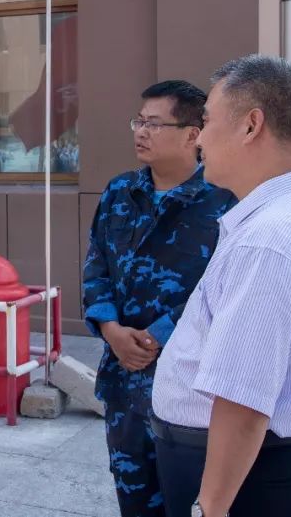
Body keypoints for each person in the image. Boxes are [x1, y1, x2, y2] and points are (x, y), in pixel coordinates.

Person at [151, 55, 291, 517]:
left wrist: (211, 508)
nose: (198, 138)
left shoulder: (270, 240)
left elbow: (242, 401)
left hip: (253, 482)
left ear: (250, 125)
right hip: (280, 470)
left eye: (205, 121)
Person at [82, 81, 236, 517]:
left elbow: (225, 286)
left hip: (190, 387)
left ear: (193, 134)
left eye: (154, 123)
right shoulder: (119, 193)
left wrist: (157, 336)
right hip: (124, 385)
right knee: (133, 497)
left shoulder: (223, 200)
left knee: (190, 500)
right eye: (139, 121)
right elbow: (96, 266)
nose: (141, 131)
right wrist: (111, 330)